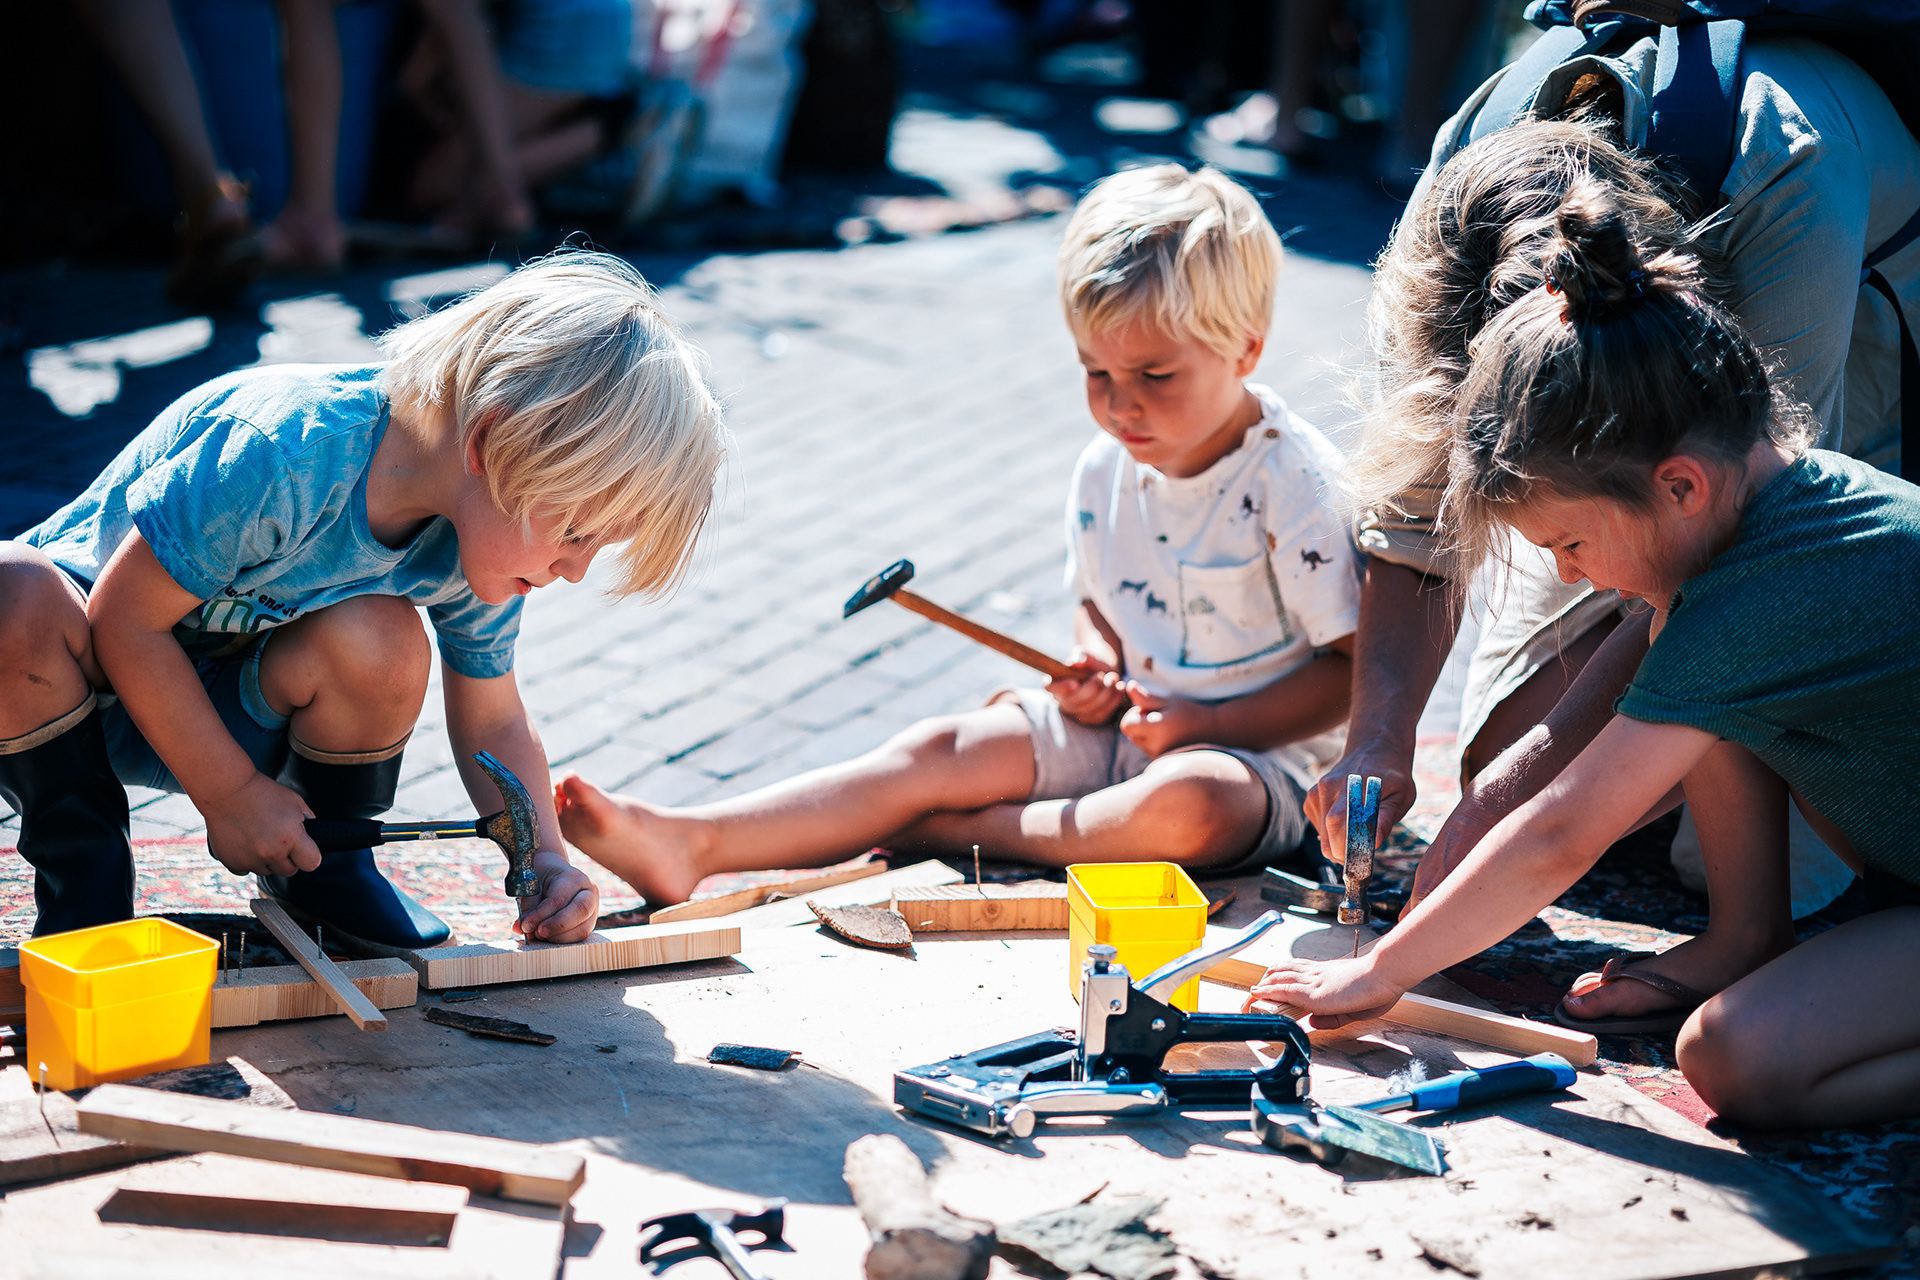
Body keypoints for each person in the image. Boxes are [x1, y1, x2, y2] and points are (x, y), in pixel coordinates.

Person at [1254, 180, 1920, 1129]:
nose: (1574, 576)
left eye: (1569, 545)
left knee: (1736, 1059)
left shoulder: (1767, 589)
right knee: (1688, 675)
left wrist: (1379, 971)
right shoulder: (1763, 520)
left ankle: (1749, 954)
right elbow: (1663, 694)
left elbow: (1568, 831)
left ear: (1677, 485)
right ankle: (1744, 937)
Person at [555, 164, 1362, 906]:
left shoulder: (1294, 483)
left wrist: (1207, 728)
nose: (1122, 407)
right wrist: (1098, 663)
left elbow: (1351, 671)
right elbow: (1100, 603)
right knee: (937, 748)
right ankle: (694, 841)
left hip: (1255, 760)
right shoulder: (1105, 465)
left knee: (1190, 809)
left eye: (1155, 376)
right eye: (1096, 373)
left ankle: (960, 832)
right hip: (1117, 731)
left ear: (1246, 348)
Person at [1310, 32, 1920, 927]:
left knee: (1716, 856)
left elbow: (1749, 559)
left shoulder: (1783, 174)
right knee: (1519, 770)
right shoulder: (1458, 188)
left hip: (1838, 432)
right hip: (1657, 487)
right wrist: (1378, 740)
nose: (1555, 565)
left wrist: (1510, 816)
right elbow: (1411, 518)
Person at [0, 252, 726, 950]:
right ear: (491, 443)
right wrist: (228, 795)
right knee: (13, 589)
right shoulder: (285, 451)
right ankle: (85, 883)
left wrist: (549, 862)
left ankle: (322, 865)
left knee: (382, 634)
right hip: (61, 699)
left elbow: (494, 716)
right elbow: (123, 620)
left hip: (215, 705)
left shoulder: (479, 533)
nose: (574, 569)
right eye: (573, 532)